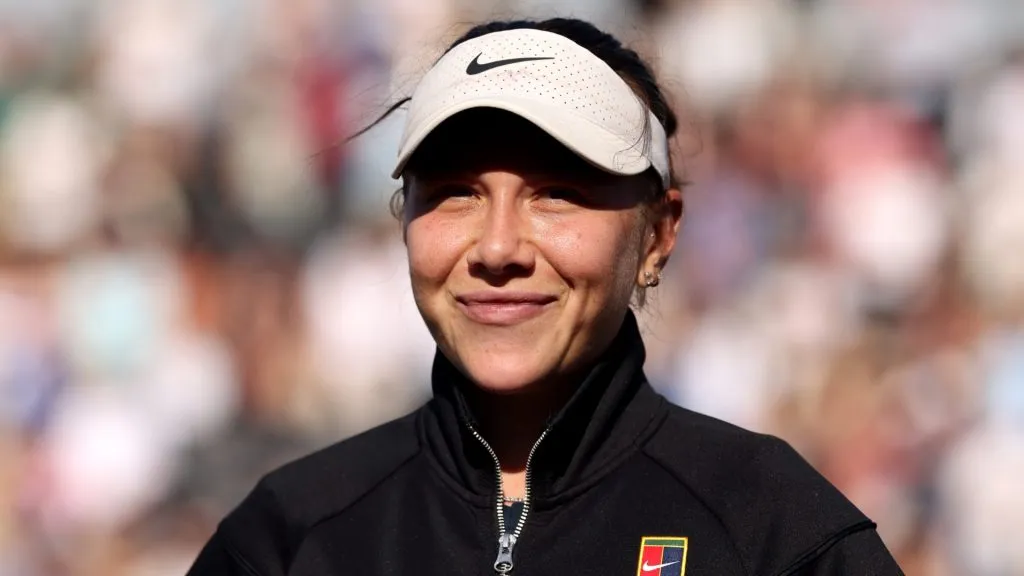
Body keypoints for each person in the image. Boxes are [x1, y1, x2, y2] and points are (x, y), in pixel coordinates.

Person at [186, 18, 903, 576]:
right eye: (457, 194)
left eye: (558, 194)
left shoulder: (774, 531)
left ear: (657, 234)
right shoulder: (289, 536)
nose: (498, 249)